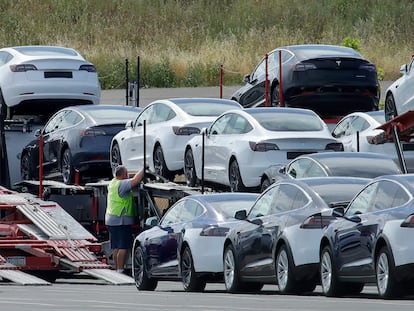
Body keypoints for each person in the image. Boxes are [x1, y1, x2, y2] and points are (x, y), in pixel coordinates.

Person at [105, 165, 144, 274]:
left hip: (111, 219)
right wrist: (144, 169)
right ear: (123, 175)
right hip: (121, 220)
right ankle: (121, 269)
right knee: (123, 246)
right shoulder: (122, 185)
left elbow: (131, 177)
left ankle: (118, 269)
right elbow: (136, 180)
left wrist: (131, 174)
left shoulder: (113, 182)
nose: (128, 176)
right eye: (126, 174)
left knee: (116, 246)